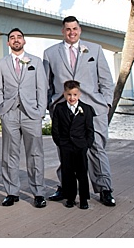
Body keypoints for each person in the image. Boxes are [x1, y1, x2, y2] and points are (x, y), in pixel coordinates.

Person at [44, 16, 116, 206]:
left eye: (74, 29)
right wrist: (51, 105)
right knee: (65, 150)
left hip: (93, 108)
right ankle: (65, 187)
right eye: (68, 29)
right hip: (64, 108)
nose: (71, 32)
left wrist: (106, 103)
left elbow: (106, 80)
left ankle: (104, 189)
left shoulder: (95, 50)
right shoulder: (50, 53)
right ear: (62, 31)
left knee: (97, 148)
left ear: (80, 29)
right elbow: (46, 84)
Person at [0, 28, 49, 208]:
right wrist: (1, 110)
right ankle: (11, 192)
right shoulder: (1, 64)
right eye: (12, 38)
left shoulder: (36, 62)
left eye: (19, 37)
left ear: (24, 41)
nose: (16, 40)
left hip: (31, 114)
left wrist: (41, 111)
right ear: (8, 43)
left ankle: (38, 192)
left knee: (35, 154)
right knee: (9, 154)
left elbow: (42, 88)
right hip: (9, 113)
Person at [51, 80, 95, 210]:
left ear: (79, 94)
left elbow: (90, 129)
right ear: (64, 94)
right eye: (69, 94)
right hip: (66, 146)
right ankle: (69, 197)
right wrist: (60, 142)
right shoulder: (59, 108)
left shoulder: (86, 109)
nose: (72, 97)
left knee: (82, 173)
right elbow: (55, 128)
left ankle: (83, 199)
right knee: (67, 173)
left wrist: (87, 144)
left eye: (75, 94)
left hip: (80, 146)